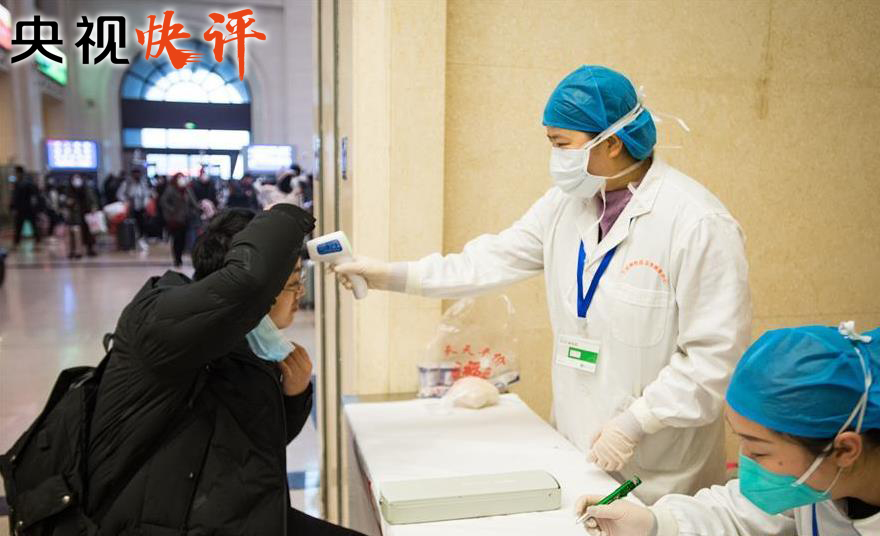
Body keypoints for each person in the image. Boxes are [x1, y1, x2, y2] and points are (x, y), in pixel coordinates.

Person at [333, 65, 751, 502]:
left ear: (611, 143)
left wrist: (636, 422)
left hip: (661, 473)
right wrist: (390, 275)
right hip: (576, 451)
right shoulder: (566, 205)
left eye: (561, 144)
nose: (555, 158)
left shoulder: (698, 224)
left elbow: (714, 360)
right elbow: (488, 260)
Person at [85, 205, 364, 535]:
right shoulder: (159, 323)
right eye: (292, 282)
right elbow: (250, 280)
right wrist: (288, 215)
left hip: (227, 513)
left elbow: (255, 444)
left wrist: (295, 395)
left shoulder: (252, 342)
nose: (300, 293)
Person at [575, 322, 880, 535]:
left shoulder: (818, 475)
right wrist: (655, 524)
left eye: (759, 451)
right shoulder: (817, 480)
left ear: (845, 449)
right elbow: (740, 512)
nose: (744, 461)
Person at [161, 172, 200, 267]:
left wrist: (195, 211)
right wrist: (172, 210)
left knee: (183, 239)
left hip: (185, 219)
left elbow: (193, 203)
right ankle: (177, 259)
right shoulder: (171, 189)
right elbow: (163, 201)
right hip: (174, 220)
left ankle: (180, 256)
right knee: (177, 239)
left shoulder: (187, 190)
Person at [64, 174, 98, 258]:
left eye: (78, 178)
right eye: (74, 179)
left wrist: (93, 207)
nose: (77, 181)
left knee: (89, 232)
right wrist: (69, 203)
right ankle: (75, 251)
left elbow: (92, 199)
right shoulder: (69, 190)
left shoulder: (86, 189)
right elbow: (66, 202)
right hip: (75, 214)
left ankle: (90, 249)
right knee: (75, 233)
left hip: (87, 213)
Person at [117, 167, 151, 249]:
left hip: (141, 207)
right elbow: (119, 194)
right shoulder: (127, 183)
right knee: (131, 224)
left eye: (138, 173)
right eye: (135, 173)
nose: (137, 175)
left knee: (142, 224)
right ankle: (132, 240)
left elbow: (147, 194)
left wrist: (146, 203)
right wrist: (126, 201)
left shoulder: (142, 183)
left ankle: (141, 239)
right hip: (130, 208)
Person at [10, 166, 42, 248]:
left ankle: (17, 243)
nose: (15, 174)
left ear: (19, 173)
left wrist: (13, 207)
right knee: (24, 226)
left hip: (25, 209)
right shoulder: (24, 182)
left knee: (22, 226)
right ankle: (36, 242)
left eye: (15, 172)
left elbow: (16, 197)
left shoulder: (22, 183)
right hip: (26, 208)